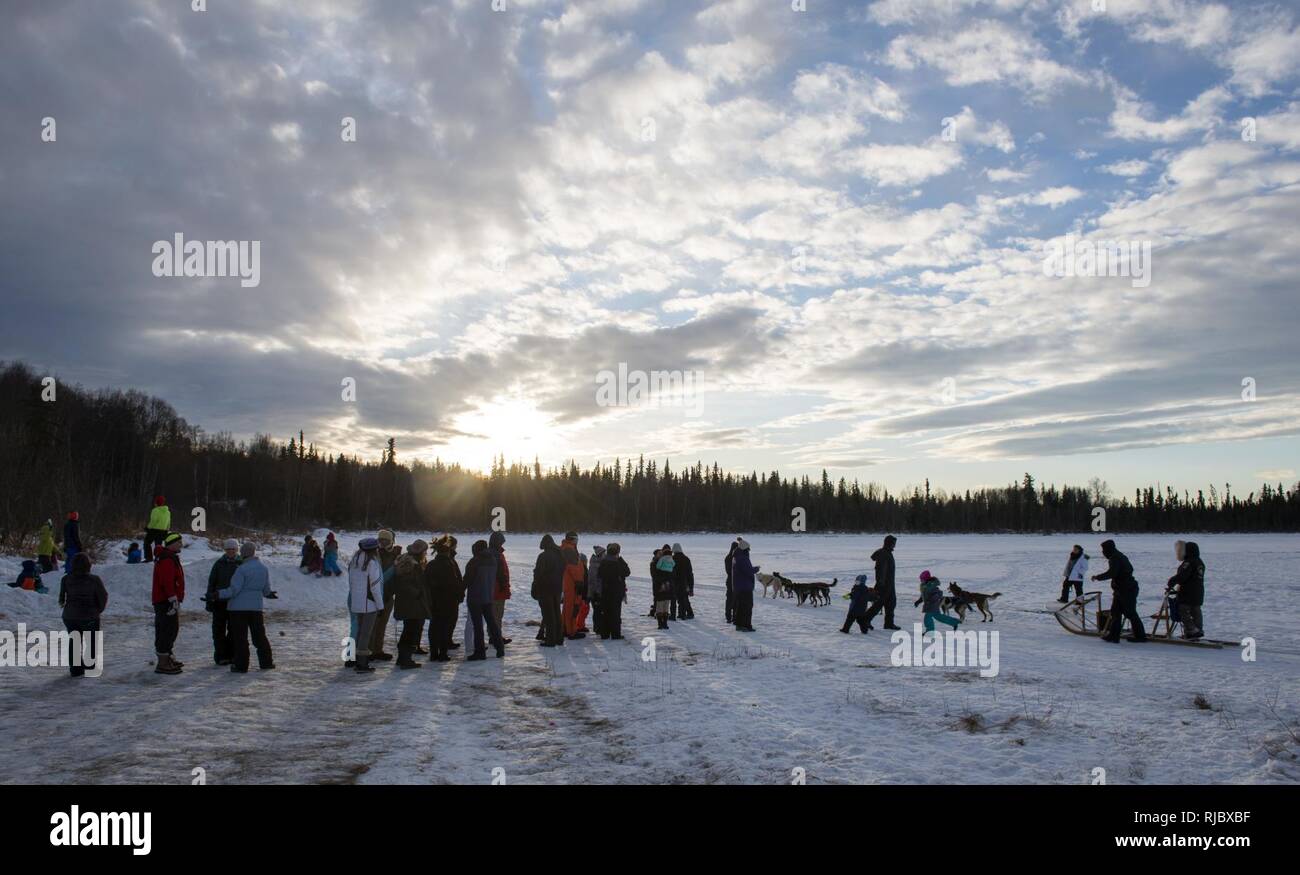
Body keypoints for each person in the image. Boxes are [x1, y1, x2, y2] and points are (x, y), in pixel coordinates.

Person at [218, 541, 276, 673]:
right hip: (256, 608)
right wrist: (270, 594)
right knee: (259, 636)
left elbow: (234, 590)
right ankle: (266, 662)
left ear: (243, 553)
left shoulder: (242, 569)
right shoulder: (263, 568)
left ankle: (241, 665)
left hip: (238, 609)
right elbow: (266, 590)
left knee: (240, 638)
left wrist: (217, 594)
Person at [58, 553, 107, 677]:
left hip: (69, 616)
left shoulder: (66, 579)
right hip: (89, 615)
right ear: (88, 565)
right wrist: (98, 610)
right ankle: (90, 667)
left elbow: (61, 599)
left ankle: (75, 669)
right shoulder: (94, 580)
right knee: (91, 642)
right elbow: (103, 596)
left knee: (74, 641)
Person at [1092, 539, 1147, 643]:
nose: (1103, 552)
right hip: (1122, 589)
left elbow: (1112, 573)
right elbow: (1129, 569)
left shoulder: (1115, 558)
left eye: (1103, 550)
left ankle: (1140, 636)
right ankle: (1113, 635)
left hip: (1126, 589)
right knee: (1115, 612)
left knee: (1130, 613)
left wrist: (1098, 577)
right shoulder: (1120, 555)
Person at [464, 539, 506, 660]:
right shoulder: (493, 560)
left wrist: (458, 592)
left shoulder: (474, 562)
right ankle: (500, 648)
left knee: (478, 627)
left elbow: (467, 580)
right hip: (488, 597)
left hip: (475, 598)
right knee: (492, 624)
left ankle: (480, 652)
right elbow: (500, 576)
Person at [392, 538, 431, 668]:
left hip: (408, 603)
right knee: (410, 631)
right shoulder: (411, 564)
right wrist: (417, 593)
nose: (426, 553)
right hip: (411, 604)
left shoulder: (407, 561)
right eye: (425, 551)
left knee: (409, 630)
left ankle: (403, 658)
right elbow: (404, 583)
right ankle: (405, 659)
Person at [348, 536, 385, 672]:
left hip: (357, 603)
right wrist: (380, 606)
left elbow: (351, 584)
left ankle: (357, 660)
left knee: (359, 632)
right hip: (369, 604)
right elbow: (375, 588)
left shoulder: (354, 561)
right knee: (365, 633)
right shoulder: (372, 563)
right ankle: (362, 663)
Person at [152, 532, 186, 674]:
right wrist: (172, 598)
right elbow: (167, 581)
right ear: (172, 544)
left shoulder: (169, 557)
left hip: (166, 600)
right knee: (167, 630)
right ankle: (163, 663)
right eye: (179, 543)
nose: (181, 545)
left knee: (171, 629)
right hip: (165, 601)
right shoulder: (167, 559)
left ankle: (168, 658)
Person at [427, 535, 464, 662]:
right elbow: (453, 583)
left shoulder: (431, 564)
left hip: (434, 600)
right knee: (444, 626)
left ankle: (433, 653)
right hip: (447, 601)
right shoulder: (449, 564)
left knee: (434, 626)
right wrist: (459, 595)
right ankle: (442, 653)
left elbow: (425, 582)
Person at [204, 539, 240, 665]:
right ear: (225, 550)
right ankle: (221, 655)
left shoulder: (241, 564)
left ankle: (231, 655)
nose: (231, 551)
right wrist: (209, 600)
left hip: (235, 603)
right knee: (218, 630)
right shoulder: (219, 564)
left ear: (237, 550)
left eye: (233, 549)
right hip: (219, 602)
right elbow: (212, 583)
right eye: (228, 549)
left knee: (233, 630)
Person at [369, 529, 402, 661]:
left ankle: (378, 649)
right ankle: (369, 651)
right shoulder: (375, 555)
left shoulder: (395, 554)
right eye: (380, 540)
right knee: (373, 624)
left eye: (386, 540)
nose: (382, 543)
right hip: (376, 595)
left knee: (382, 625)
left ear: (391, 541)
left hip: (389, 595)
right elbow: (381, 576)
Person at [1166, 540, 1205, 640]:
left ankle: (1191, 629)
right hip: (1198, 592)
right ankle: (1197, 630)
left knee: (1182, 610)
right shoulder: (1199, 561)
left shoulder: (1188, 562)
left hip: (1188, 592)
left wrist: (1171, 581)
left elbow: (1182, 576)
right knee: (1196, 610)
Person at [533, 534, 565, 647]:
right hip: (557, 588)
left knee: (548, 615)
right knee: (557, 613)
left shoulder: (543, 556)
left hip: (545, 588)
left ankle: (550, 640)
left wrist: (534, 587)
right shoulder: (560, 555)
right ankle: (559, 638)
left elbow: (538, 573)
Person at [863, 535, 900, 631]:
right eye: (893, 543)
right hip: (884, 584)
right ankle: (865, 620)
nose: (894, 545)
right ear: (889, 543)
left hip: (890, 584)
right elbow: (880, 570)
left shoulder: (887, 552)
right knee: (878, 604)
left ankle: (889, 623)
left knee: (891, 603)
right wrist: (880, 583)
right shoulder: (883, 554)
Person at [598, 543, 630, 639]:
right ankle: (615, 634)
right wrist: (621, 560)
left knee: (605, 612)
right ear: (617, 553)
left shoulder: (604, 562)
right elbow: (627, 572)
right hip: (616, 591)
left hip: (605, 590)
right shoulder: (618, 563)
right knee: (615, 613)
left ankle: (605, 633)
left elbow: (599, 574)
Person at [560, 531, 588, 639]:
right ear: (571, 539)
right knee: (572, 607)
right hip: (572, 584)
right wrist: (579, 581)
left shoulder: (567, 548)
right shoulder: (569, 550)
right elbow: (573, 568)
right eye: (576, 539)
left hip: (569, 583)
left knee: (568, 607)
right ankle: (571, 631)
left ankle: (565, 629)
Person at [731, 537, 758, 631]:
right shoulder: (743, 558)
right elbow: (748, 571)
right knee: (747, 607)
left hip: (739, 586)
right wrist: (756, 569)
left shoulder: (736, 557)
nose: (749, 551)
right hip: (745, 586)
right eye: (748, 549)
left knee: (740, 606)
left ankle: (739, 624)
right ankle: (746, 625)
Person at [489, 530, 511, 643]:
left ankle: (495, 636)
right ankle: (496, 637)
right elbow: (501, 573)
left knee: (496, 615)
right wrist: (504, 585)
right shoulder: (496, 555)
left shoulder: (494, 553)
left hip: (495, 590)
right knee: (497, 615)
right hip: (498, 591)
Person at [653, 545, 675, 629]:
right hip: (668, 588)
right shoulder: (671, 560)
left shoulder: (660, 562)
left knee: (661, 606)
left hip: (661, 588)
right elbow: (673, 565)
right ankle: (664, 624)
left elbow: (657, 569)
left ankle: (661, 624)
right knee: (665, 606)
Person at [143, 495, 170, 563]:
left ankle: (149, 558)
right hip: (163, 531)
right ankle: (158, 558)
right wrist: (167, 530)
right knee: (158, 545)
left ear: (156, 502)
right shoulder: (168, 512)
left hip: (154, 530)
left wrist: (148, 528)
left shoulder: (155, 510)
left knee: (147, 542)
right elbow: (169, 522)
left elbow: (153, 521)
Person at [671, 543, 695, 620]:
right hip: (685, 582)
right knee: (684, 598)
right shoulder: (686, 559)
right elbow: (690, 573)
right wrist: (691, 586)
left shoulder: (673, 559)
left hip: (676, 582)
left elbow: (672, 571)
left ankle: (682, 614)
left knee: (680, 599)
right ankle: (688, 613)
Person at [587, 545, 606, 637]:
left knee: (599, 610)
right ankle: (598, 628)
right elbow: (593, 580)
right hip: (596, 592)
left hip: (598, 591)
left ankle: (599, 627)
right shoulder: (595, 565)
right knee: (597, 610)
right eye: (604, 553)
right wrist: (596, 592)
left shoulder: (599, 563)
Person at [724, 541, 737, 623]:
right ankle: (734, 616)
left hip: (729, 580)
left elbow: (728, 571)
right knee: (734, 599)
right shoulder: (735, 557)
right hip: (735, 580)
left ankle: (728, 616)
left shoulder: (727, 557)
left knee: (729, 599)